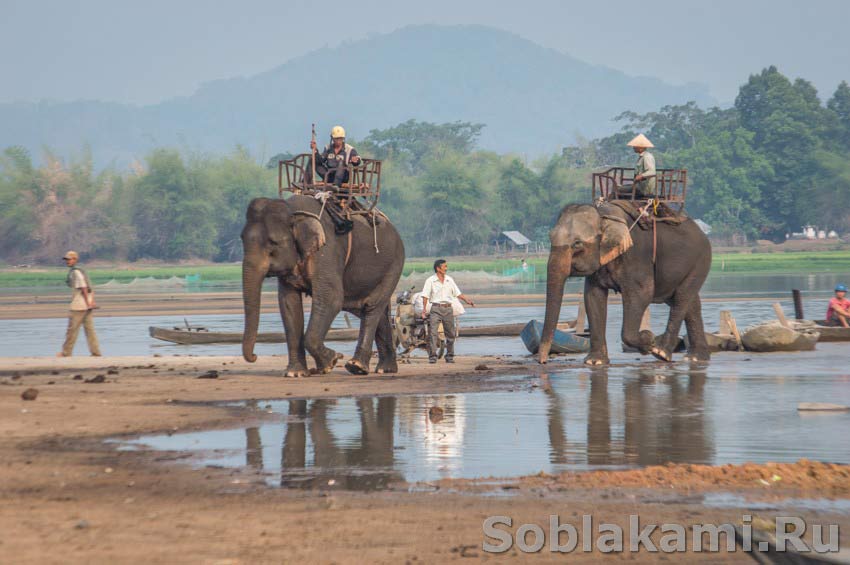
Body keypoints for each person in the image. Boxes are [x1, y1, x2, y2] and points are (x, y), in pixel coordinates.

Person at [421, 259, 475, 364]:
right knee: (433, 333)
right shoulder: (430, 280)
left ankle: (449, 356)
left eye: (446, 266)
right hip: (436, 309)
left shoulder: (449, 280)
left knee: (450, 333)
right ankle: (432, 356)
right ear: (438, 268)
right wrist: (424, 310)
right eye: (444, 266)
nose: (446, 268)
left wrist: (467, 301)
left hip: (448, 309)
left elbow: (458, 293)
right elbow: (425, 296)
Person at [58, 251, 101, 357]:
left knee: (71, 330)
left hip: (79, 306)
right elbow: (90, 288)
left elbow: (84, 288)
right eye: (66, 260)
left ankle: (66, 352)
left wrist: (88, 303)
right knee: (90, 330)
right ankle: (96, 352)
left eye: (69, 259)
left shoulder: (76, 272)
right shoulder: (81, 271)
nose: (67, 261)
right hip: (86, 306)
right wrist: (91, 302)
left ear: (75, 259)